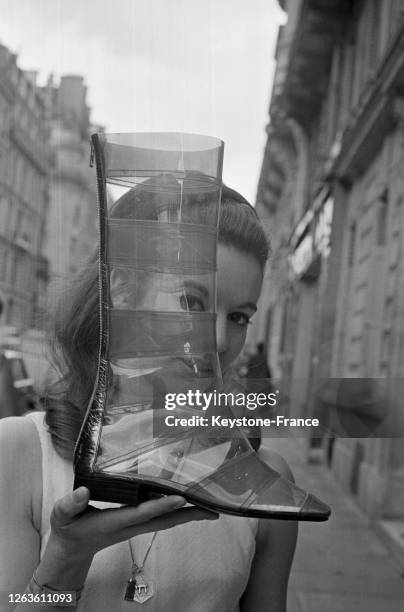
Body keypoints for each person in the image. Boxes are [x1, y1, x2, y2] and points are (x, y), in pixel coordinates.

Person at [0, 185, 297, 612]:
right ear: (122, 290)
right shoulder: (21, 454)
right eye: (191, 301)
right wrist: (66, 561)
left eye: (238, 317)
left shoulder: (266, 485)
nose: (216, 339)